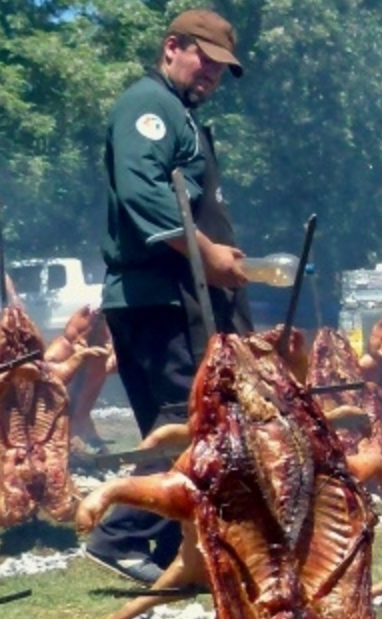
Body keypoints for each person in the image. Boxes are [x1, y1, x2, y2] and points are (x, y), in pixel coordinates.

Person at [83, 8, 252, 585]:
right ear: (172, 46)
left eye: (221, 69)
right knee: (194, 427)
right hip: (158, 299)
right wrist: (207, 254)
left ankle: (175, 554)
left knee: (184, 424)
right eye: (205, 60)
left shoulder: (182, 115)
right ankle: (120, 534)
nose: (212, 75)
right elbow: (146, 195)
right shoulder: (147, 107)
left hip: (178, 298)